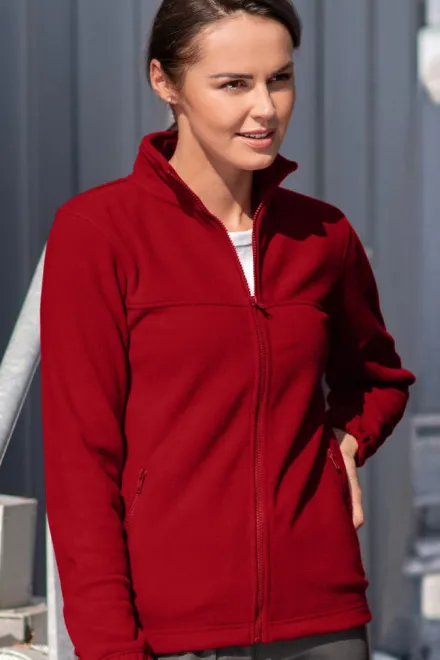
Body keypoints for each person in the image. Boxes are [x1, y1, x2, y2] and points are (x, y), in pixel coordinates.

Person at [40, 1, 416, 660]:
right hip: (173, 632)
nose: (265, 108)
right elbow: (81, 467)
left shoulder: (323, 235)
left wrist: (345, 446)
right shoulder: (98, 233)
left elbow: (378, 380)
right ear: (165, 82)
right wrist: (109, 647)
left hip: (323, 622)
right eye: (234, 83)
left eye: (280, 79)